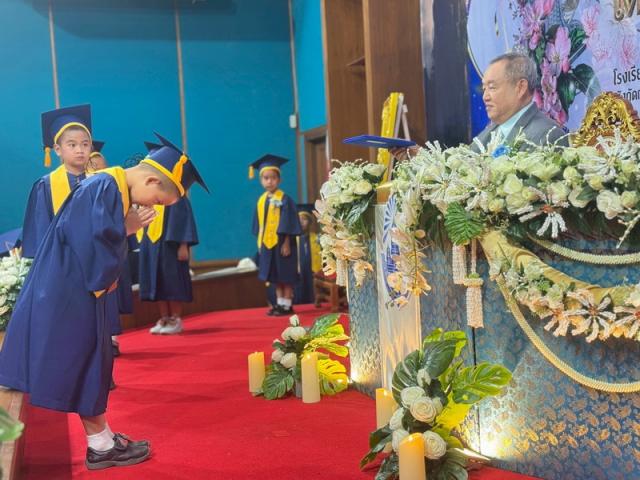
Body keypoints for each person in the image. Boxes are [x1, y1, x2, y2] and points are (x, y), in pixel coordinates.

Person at [0, 130, 208, 470]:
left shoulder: (109, 186)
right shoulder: (104, 188)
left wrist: (121, 233)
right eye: (158, 201)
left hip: (72, 288)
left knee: (92, 359)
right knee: (86, 358)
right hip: (69, 291)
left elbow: (94, 238)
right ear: (152, 180)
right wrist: (126, 230)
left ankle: (102, 438)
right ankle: (100, 445)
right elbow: (90, 242)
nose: (151, 207)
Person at [390, 52, 568, 160]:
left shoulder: (547, 135)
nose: (485, 97)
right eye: (484, 89)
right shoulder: (492, 131)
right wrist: (419, 157)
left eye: (492, 87)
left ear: (520, 87)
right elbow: (461, 165)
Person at [141, 139, 203, 335]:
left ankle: (176, 318)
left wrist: (184, 245)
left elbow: (184, 221)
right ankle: (164, 318)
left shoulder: (177, 195)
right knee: (157, 283)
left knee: (172, 283)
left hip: (170, 247)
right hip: (152, 245)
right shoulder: (147, 195)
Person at [20, 104, 92, 258]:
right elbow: (42, 231)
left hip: (98, 258)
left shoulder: (101, 181)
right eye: (72, 145)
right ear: (58, 149)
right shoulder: (46, 186)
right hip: (62, 260)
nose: (80, 150)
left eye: (85, 144)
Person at [250, 154, 302, 316]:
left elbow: (289, 223)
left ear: (279, 180)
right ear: (261, 180)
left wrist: (286, 243)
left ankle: (287, 305)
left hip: (283, 245)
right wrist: (260, 243)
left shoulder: (285, 200)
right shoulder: (261, 200)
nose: (269, 181)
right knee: (275, 276)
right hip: (268, 244)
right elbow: (259, 225)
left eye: (273, 178)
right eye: (266, 178)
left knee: (286, 275)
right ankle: (279, 304)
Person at [294, 204, 322, 305]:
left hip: (313, 273)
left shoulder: (317, 238)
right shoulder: (293, 240)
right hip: (298, 274)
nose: (301, 222)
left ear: (310, 222)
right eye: (299, 219)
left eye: (304, 219)